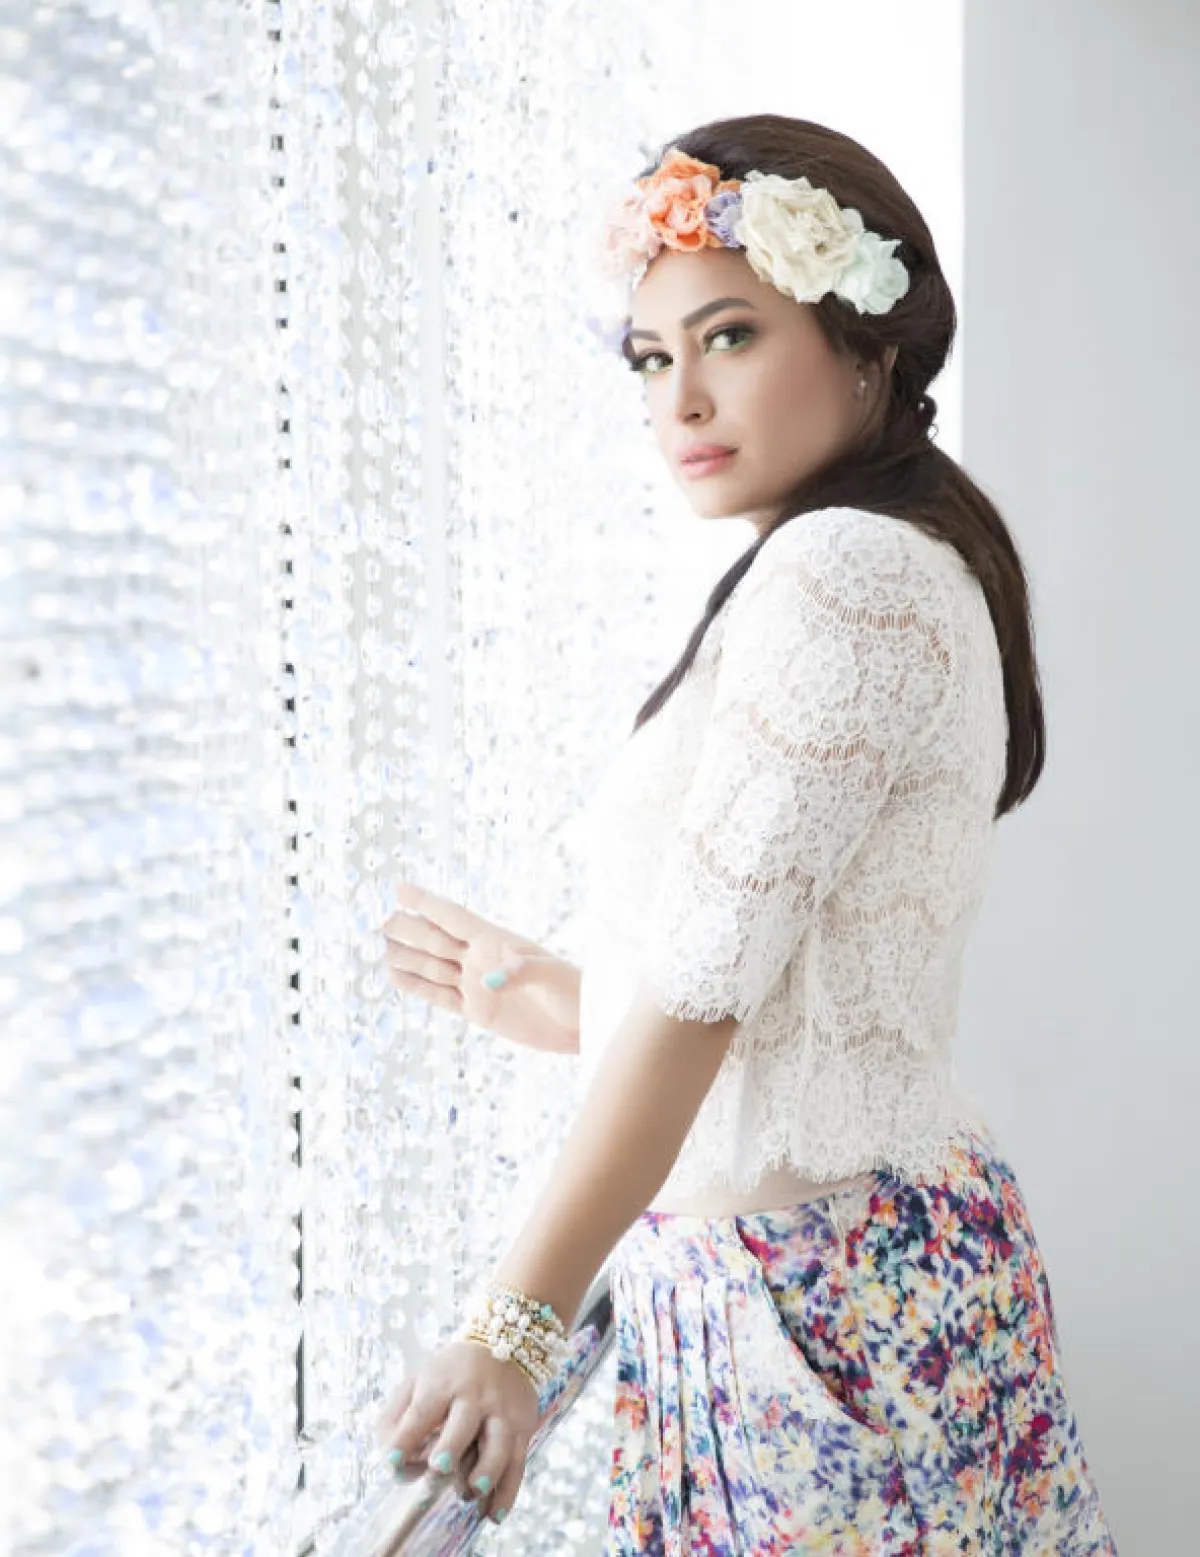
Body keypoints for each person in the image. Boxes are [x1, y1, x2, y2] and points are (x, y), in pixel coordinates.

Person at [376, 115, 1119, 1554]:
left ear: (866, 345)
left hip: (826, 1304)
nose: (683, 400)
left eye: (728, 336)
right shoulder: (875, 556)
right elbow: (770, 993)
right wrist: (548, 994)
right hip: (820, 1280)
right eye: (651, 359)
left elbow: (704, 998)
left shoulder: (846, 570)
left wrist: (509, 1332)